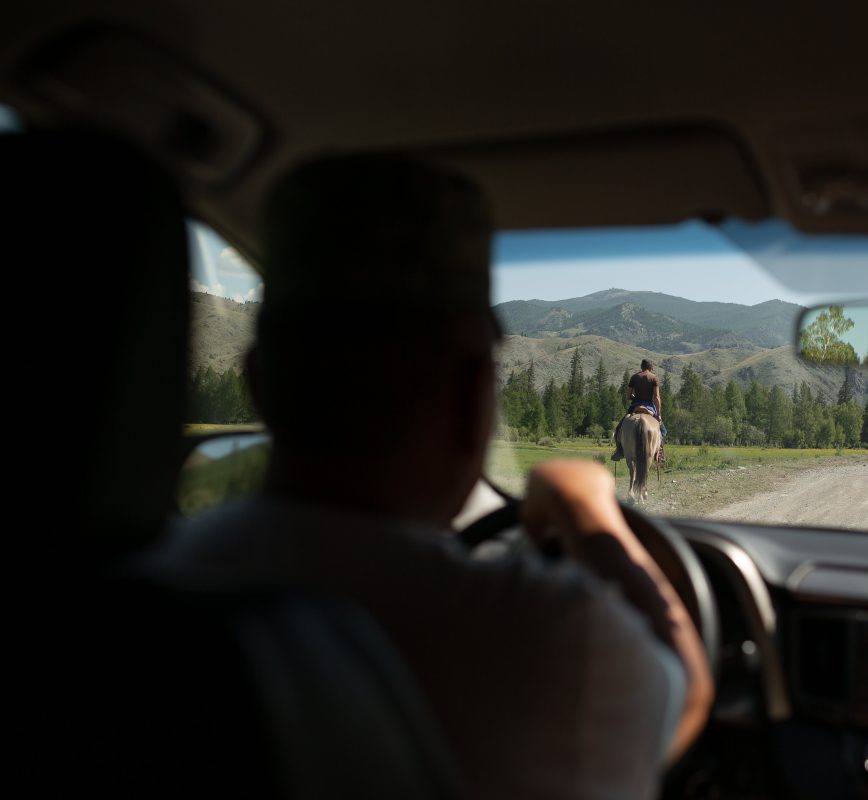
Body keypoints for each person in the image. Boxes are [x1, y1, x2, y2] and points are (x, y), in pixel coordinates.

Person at [151, 155, 712, 800]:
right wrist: (588, 507)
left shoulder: (150, 578)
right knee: (649, 435)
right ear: (475, 396)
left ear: (257, 382)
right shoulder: (544, 634)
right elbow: (686, 689)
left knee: (628, 432)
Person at [611, 359, 664, 461]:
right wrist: (659, 414)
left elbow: (628, 395)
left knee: (619, 428)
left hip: (635, 406)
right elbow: (657, 397)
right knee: (663, 430)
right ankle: (659, 452)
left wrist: (634, 397)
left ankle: (619, 451)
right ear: (651, 368)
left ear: (641, 367)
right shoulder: (654, 378)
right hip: (650, 407)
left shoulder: (634, 377)